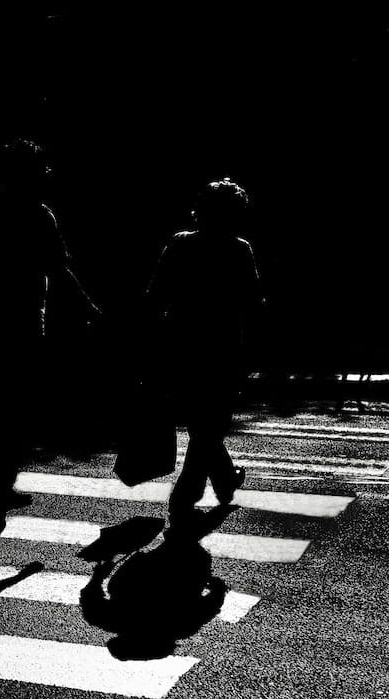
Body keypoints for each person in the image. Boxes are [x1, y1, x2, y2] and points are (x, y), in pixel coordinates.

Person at [0, 138, 100, 506]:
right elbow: (58, 268)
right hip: (20, 323)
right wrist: (88, 308)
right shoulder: (37, 214)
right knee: (13, 406)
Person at [147, 178, 264, 519]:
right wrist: (256, 348)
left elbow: (156, 295)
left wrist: (150, 337)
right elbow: (253, 303)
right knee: (209, 424)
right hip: (222, 346)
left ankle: (224, 481)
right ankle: (186, 493)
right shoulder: (239, 249)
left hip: (181, 344)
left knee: (202, 424)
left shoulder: (180, 244)